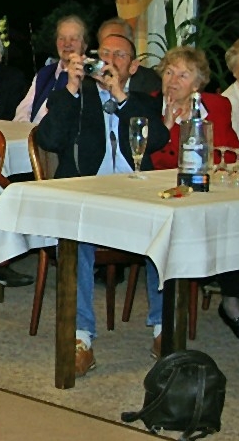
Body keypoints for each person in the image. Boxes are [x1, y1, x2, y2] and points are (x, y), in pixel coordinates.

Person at [34, 31, 168, 376]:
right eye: (103, 53)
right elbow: (48, 138)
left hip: (135, 201)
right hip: (88, 202)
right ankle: (80, 338)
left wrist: (120, 96)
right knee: (74, 236)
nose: (109, 60)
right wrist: (71, 86)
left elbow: (158, 139)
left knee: (166, 228)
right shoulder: (75, 97)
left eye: (119, 55)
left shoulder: (141, 101)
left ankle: (162, 330)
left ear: (133, 67)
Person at [148, 45, 239, 345]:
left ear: (198, 82)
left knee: (231, 217)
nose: (173, 80)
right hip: (166, 196)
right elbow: (152, 163)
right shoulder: (149, 106)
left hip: (208, 190)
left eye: (183, 74)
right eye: (169, 72)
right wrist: (166, 127)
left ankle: (231, 297)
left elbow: (232, 154)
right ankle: (226, 297)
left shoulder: (217, 106)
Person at [14, 14, 88, 124]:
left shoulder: (89, 78)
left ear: (84, 45)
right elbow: (24, 110)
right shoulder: (45, 73)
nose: (67, 44)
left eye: (73, 39)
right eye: (62, 38)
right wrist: (27, 130)